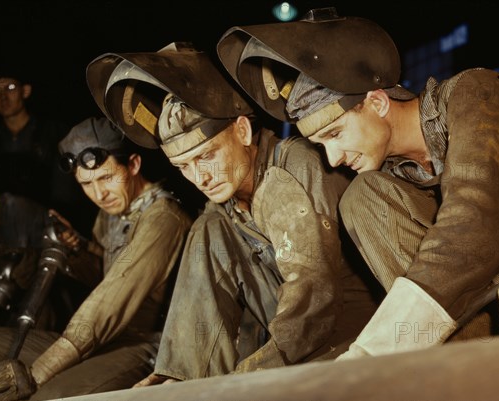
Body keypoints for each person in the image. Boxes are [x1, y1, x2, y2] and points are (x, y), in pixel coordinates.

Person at [215, 8, 499, 357]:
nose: (333, 157)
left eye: (336, 133)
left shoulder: (474, 91)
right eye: (321, 144)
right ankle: (460, 359)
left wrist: (375, 349)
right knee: (361, 198)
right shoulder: (385, 182)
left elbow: (477, 220)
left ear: (376, 102)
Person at [85, 43, 381, 383]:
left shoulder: (291, 166)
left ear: (242, 130)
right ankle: (182, 377)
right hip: (292, 339)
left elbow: (314, 297)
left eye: (207, 155)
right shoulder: (223, 206)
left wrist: (247, 375)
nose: (200, 177)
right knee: (209, 225)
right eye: (183, 166)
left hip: (350, 334)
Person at [0, 116, 192, 401]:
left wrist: (36, 374)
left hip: (147, 343)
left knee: (52, 399)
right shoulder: (114, 210)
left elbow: (110, 301)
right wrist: (76, 247)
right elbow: (103, 272)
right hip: (103, 336)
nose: (99, 194)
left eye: (106, 178)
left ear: (134, 165)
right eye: (86, 183)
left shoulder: (163, 218)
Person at [0, 66, 95, 328]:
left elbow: (66, 198)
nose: (2, 97)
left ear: (26, 91)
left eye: (11, 88)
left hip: (43, 238)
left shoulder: (52, 133)